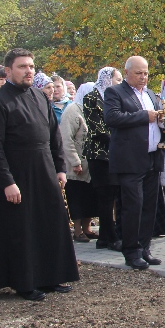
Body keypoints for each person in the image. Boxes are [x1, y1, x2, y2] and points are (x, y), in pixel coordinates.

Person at [0, 48, 79, 301]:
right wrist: (7, 182)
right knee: (22, 229)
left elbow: (54, 135)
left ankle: (50, 277)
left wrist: (59, 167)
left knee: (49, 224)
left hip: (44, 169)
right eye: (23, 66)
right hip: (17, 174)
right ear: (9, 70)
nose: (28, 71)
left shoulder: (39, 96)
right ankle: (24, 282)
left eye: (31, 66)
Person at [104, 56, 165, 270]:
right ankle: (131, 251)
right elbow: (112, 118)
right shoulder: (115, 92)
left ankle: (144, 248)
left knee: (150, 206)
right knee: (133, 206)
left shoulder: (151, 95)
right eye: (138, 73)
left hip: (152, 157)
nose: (143, 77)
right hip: (130, 160)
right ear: (127, 73)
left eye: (146, 73)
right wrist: (144, 116)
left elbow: (157, 120)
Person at [82, 67, 123, 251]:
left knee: (114, 195)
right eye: (117, 79)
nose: (120, 83)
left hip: (115, 153)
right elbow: (97, 128)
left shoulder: (116, 97)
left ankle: (110, 234)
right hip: (99, 154)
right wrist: (121, 139)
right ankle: (108, 237)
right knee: (105, 196)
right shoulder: (91, 97)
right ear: (107, 79)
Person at [60, 83, 100, 242]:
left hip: (90, 165)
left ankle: (87, 228)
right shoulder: (72, 110)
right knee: (77, 198)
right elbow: (66, 138)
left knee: (89, 197)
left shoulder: (92, 110)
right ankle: (77, 231)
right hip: (75, 166)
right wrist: (75, 161)